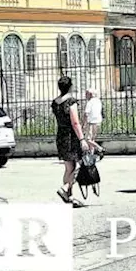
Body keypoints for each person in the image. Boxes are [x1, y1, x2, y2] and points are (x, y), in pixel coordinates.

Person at [51, 76, 90, 206]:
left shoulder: (55, 102)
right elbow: (75, 122)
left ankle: (69, 197)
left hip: (61, 135)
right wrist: (82, 139)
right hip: (71, 136)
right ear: (70, 87)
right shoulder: (71, 101)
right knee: (79, 165)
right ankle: (66, 188)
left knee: (68, 168)